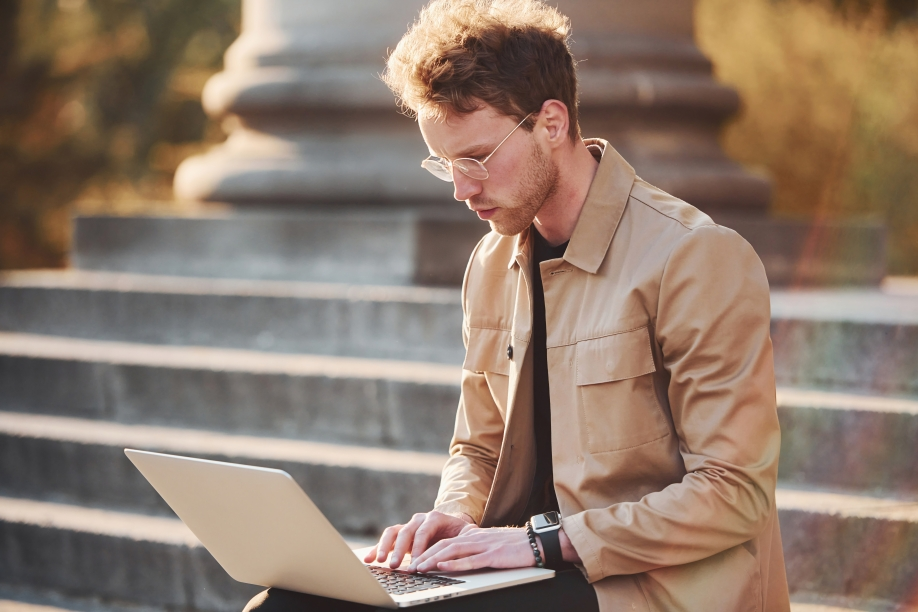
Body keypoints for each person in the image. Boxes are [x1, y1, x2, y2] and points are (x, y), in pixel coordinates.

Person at [245, 0, 790, 610]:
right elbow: (477, 449)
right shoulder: (490, 262)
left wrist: (541, 543)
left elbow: (735, 491)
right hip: (520, 567)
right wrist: (449, 520)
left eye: (476, 157)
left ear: (551, 123)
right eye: (445, 163)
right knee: (287, 603)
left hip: (647, 586)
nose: (461, 188)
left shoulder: (696, 256)